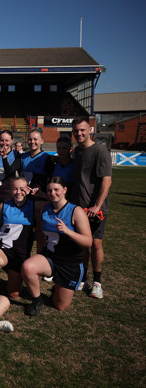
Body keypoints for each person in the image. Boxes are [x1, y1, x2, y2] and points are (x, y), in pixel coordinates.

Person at [21, 177, 92, 316]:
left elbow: (88, 241)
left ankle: (58, 286)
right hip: (51, 257)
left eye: (56, 189)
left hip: (70, 263)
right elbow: (41, 234)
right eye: (49, 190)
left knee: (60, 306)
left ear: (65, 190)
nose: (53, 193)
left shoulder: (76, 211)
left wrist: (68, 231)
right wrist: (39, 253)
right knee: (28, 267)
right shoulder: (45, 208)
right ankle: (37, 301)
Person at [70, 118, 112, 299]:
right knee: (81, 245)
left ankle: (97, 282)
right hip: (78, 209)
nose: (79, 134)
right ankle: (83, 278)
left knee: (96, 244)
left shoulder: (100, 151)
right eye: (76, 131)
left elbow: (107, 180)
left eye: (82, 130)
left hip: (95, 210)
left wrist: (97, 205)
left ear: (90, 129)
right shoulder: (77, 151)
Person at [0, 177, 37, 298]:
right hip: (3, 247)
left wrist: (40, 194)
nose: (18, 192)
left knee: (13, 294)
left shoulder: (34, 205)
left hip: (20, 252)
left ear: (28, 189)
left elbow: (53, 203)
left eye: (22, 189)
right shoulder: (4, 205)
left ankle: (8, 273)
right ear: (10, 190)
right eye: (15, 189)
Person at [0, 130, 19, 202]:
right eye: (2, 140)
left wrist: (4, 157)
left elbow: (10, 172)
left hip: (9, 193)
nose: (4, 143)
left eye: (7, 140)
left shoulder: (17, 155)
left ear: (12, 140)